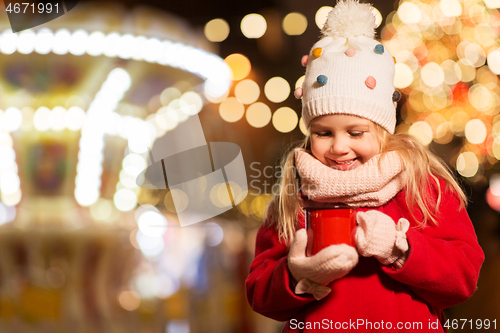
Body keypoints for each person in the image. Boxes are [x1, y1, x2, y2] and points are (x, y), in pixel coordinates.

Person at [245, 1, 484, 332]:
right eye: (323, 133)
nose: (339, 147)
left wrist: (400, 248)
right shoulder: (294, 197)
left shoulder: (421, 187)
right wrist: (295, 273)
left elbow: (463, 277)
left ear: (383, 131)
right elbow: (258, 291)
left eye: (355, 133)